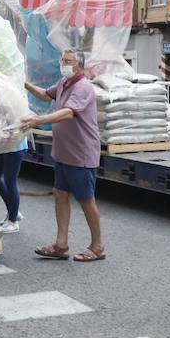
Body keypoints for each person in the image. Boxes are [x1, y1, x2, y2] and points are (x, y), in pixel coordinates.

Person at [22, 50, 104, 261]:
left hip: (81, 154)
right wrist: (24, 83)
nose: (63, 64)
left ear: (80, 66)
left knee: (86, 200)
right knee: (60, 194)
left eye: (68, 61)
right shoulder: (63, 83)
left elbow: (68, 112)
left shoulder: (83, 87)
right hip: (64, 153)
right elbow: (45, 95)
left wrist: (39, 120)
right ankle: (61, 244)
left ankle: (97, 247)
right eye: (63, 60)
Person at [0, 137, 30, 233]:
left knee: (10, 182)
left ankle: (13, 222)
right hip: (2, 146)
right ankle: (13, 211)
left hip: (15, 146)